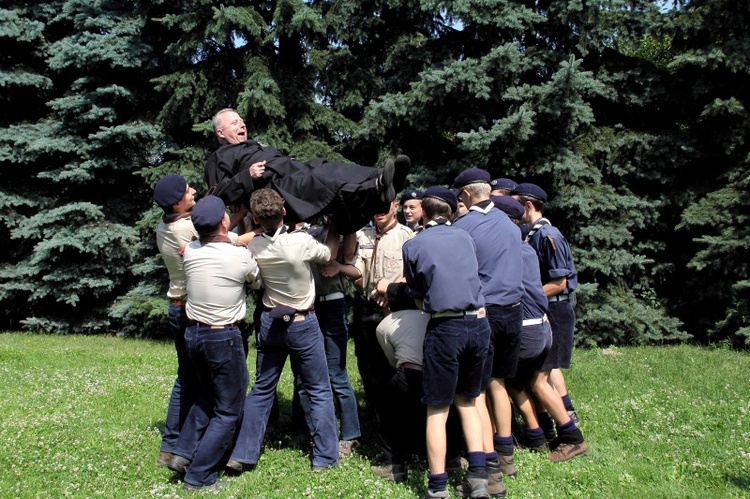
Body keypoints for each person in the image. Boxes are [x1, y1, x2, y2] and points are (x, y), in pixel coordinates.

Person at [227, 189, 339, 473]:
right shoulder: (301, 241)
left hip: (270, 322)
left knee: (262, 389)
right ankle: (325, 458)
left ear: (254, 218)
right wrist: (336, 225)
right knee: (318, 391)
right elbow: (328, 255)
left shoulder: (253, 247)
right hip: (303, 322)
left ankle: (243, 454)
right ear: (285, 212)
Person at [165, 195, 262, 492]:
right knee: (228, 408)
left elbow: (218, 239)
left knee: (207, 395)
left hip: (193, 334)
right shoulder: (238, 257)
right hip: (223, 337)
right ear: (224, 221)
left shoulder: (191, 250)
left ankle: (182, 453)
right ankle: (200, 476)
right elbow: (256, 280)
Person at [401, 187, 491, 499]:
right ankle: (479, 478)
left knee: (437, 409)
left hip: (445, 326)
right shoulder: (466, 237)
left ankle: (437, 487)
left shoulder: (414, 245)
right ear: (451, 213)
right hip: (478, 324)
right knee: (468, 400)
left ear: (423, 213)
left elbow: (416, 291)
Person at [205, 108, 410, 237]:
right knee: (319, 182)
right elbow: (217, 195)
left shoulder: (253, 144)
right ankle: (376, 190)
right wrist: (246, 176)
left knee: (330, 168)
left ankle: (382, 177)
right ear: (220, 133)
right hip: (276, 189)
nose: (241, 124)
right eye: (234, 122)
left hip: (292, 171)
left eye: (241, 121)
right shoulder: (218, 157)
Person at [492, 195, 588, 461]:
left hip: (531, 327)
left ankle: (546, 435)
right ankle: (558, 433)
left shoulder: (516, 248)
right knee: (537, 381)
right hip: (542, 325)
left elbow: (557, 282)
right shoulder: (525, 248)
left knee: (508, 380)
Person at [454, 168, 524, 481]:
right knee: (499, 384)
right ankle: (506, 453)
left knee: (476, 391)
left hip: (487, 313)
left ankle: (489, 465)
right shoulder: (510, 225)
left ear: (466, 194)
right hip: (514, 311)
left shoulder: (465, 226)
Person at [349, 199, 413, 468]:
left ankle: (405, 446)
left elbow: (414, 274)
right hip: (366, 311)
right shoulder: (362, 235)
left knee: (396, 381)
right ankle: (385, 447)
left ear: (395, 206)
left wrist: (393, 290)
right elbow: (357, 272)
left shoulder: (407, 237)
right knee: (372, 380)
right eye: (373, 208)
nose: (379, 213)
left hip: (395, 314)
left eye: (384, 207)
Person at [295, 222, 362, 458]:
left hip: (333, 305)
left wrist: (345, 218)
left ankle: (350, 435)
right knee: (305, 376)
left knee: (336, 373)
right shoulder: (300, 232)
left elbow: (349, 253)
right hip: (309, 307)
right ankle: (314, 432)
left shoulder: (340, 229)